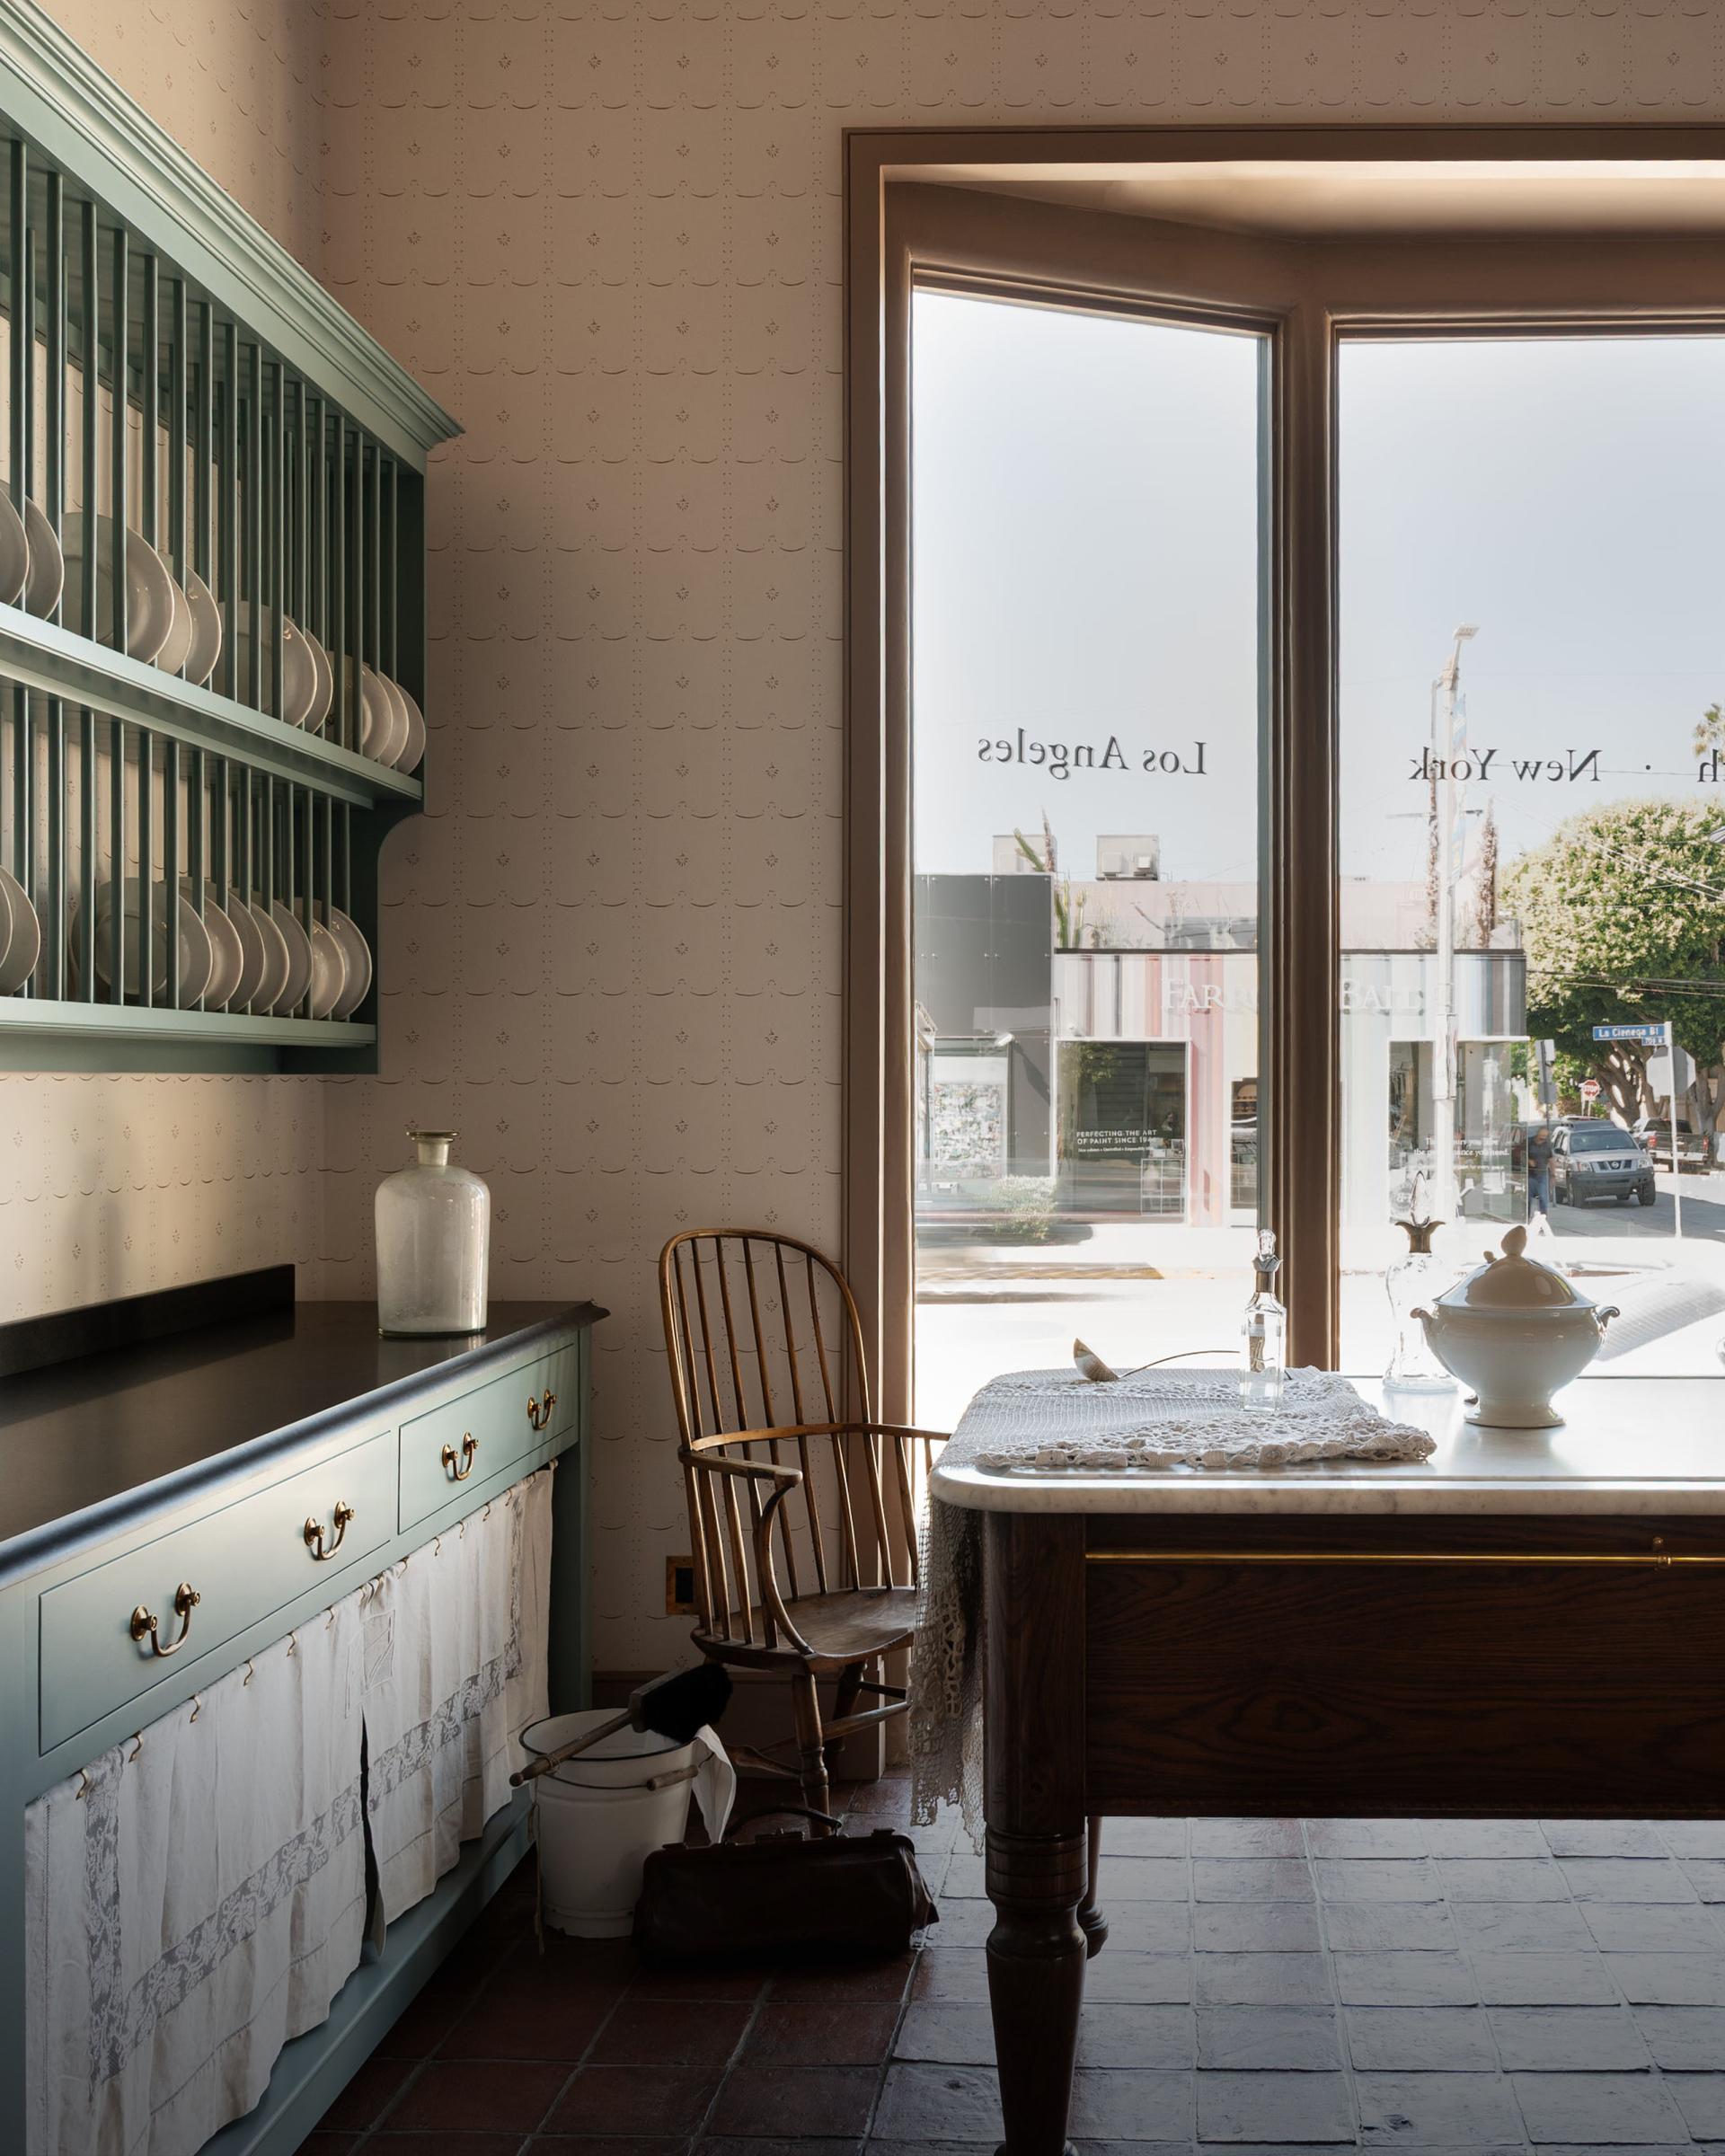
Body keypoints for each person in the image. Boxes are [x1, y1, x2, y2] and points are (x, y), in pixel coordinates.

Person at [1526, 1119, 1552, 1221]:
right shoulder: (1529, 1142)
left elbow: (1551, 1159)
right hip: (1530, 1174)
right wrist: (1528, 1161)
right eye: (1541, 1137)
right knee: (1527, 1199)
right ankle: (1526, 1219)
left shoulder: (1547, 1145)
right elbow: (1521, 1154)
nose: (1543, 1139)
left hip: (1542, 1174)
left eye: (1545, 1137)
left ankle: (1543, 1221)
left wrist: (1553, 1175)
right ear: (1537, 1135)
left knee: (1543, 1198)